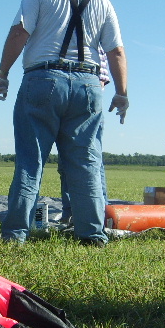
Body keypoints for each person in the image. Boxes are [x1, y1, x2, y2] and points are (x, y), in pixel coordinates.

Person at [0, 0, 128, 246]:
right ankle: (92, 234)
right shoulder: (102, 1)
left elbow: (19, 32)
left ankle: (16, 233)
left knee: (31, 160)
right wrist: (121, 93)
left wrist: (2, 74)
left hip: (43, 78)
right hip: (89, 85)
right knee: (86, 163)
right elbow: (116, 51)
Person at [59, 47, 110, 225]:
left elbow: (101, 82)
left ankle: (92, 215)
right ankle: (76, 213)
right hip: (83, 100)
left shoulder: (95, 46)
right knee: (76, 162)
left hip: (85, 105)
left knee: (88, 161)